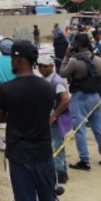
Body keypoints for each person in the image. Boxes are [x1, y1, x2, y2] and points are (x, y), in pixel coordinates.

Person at [0, 42, 64, 201]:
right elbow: (48, 110)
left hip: (18, 157)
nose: (11, 62)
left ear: (19, 59)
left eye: (12, 59)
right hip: (43, 154)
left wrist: (15, 114)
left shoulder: (6, 89)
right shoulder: (47, 87)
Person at [60, 33, 101, 170]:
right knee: (99, 128)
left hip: (79, 97)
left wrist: (66, 56)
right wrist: (98, 98)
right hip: (95, 97)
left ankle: (84, 160)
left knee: (80, 129)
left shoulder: (74, 61)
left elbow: (62, 73)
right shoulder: (99, 61)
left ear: (76, 44)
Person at [37, 55, 71, 186]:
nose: (42, 68)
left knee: (57, 145)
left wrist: (54, 115)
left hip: (55, 119)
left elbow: (65, 100)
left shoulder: (56, 81)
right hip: (48, 117)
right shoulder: (45, 79)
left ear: (52, 66)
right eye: (40, 66)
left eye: (45, 66)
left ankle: (60, 172)